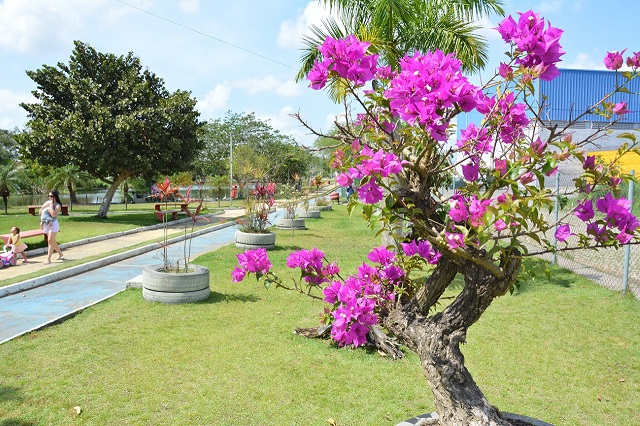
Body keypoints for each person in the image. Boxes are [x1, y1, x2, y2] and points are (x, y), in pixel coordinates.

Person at [39, 190, 64, 264]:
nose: (49, 197)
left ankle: (48, 259)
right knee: (52, 241)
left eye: (51, 196)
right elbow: (40, 212)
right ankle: (60, 254)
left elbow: (53, 215)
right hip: (46, 224)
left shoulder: (57, 205)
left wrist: (50, 206)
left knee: (50, 240)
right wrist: (43, 208)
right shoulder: (47, 203)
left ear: (55, 197)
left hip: (53, 224)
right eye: (49, 196)